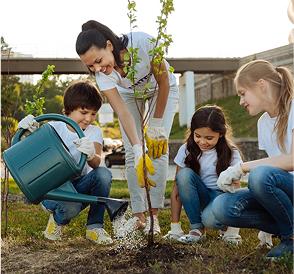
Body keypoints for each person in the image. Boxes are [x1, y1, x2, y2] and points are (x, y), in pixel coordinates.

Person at [75, 20, 179, 235]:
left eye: (98, 60)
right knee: (133, 153)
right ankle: (140, 217)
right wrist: (138, 147)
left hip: (162, 91)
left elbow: (164, 83)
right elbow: (122, 112)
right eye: (91, 66)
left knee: (158, 148)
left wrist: (157, 126)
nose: (97, 68)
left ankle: (154, 217)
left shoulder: (143, 42)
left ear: (109, 46)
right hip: (129, 96)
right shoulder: (103, 75)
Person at [212, 60, 293, 259]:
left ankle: (290, 238)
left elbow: (291, 160)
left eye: (242, 93)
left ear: (261, 85)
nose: (241, 101)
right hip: (287, 193)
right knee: (222, 207)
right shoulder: (263, 123)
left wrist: (241, 168)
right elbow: (275, 167)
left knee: (259, 175)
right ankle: (283, 225)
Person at [18, 80, 113, 244]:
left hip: (79, 186)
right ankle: (57, 220)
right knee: (70, 207)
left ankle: (94, 227)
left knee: (103, 174)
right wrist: (27, 132)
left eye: (93, 114)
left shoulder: (94, 132)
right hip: (54, 188)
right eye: (84, 112)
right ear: (68, 110)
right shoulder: (54, 127)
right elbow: (30, 155)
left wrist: (91, 154)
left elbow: (97, 162)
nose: (89, 118)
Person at [163, 105, 242, 244]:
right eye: (197, 136)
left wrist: (233, 232)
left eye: (209, 138)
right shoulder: (186, 150)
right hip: (199, 197)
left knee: (209, 220)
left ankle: (226, 227)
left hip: (221, 197)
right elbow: (177, 189)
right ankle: (197, 228)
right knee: (183, 175)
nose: (203, 142)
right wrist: (174, 227)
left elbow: (235, 189)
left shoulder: (231, 153)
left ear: (221, 134)